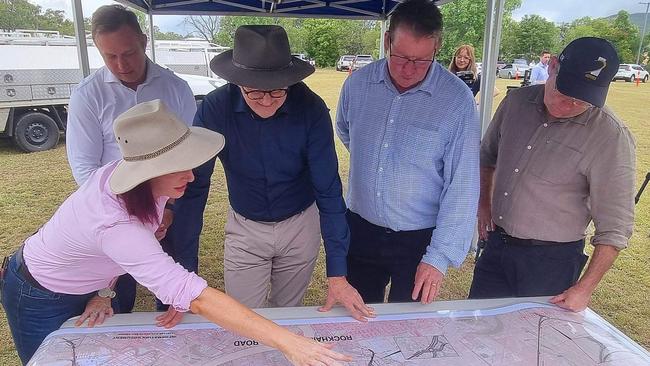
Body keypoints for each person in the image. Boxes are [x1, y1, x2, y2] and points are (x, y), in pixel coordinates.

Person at [0, 100, 351, 366]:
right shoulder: (116, 224)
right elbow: (195, 296)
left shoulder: (134, 184)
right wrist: (290, 343)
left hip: (85, 284)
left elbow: (111, 254)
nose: (194, 175)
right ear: (148, 173)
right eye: (180, 167)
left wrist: (104, 291)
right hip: (37, 294)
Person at [170, 25, 374, 321]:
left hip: (300, 225)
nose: (267, 101)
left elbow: (328, 190)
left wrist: (337, 274)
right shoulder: (214, 108)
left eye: (278, 91)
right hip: (245, 226)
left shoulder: (312, 109)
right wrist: (184, 277)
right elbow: (195, 186)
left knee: (286, 317)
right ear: (237, 82)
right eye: (254, 92)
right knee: (243, 319)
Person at [470, 37, 636, 312]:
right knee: (476, 326)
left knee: (531, 344)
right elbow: (487, 157)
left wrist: (584, 288)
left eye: (581, 101)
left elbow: (615, 228)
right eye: (564, 92)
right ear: (553, 66)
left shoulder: (610, 136)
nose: (569, 105)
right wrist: (483, 204)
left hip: (551, 262)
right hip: (497, 245)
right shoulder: (515, 103)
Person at [335, 0, 480, 304]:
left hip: (419, 240)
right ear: (388, 40)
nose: (409, 69)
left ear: (437, 48)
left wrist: (438, 257)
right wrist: (382, 162)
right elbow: (347, 132)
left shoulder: (456, 100)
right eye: (400, 56)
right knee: (356, 320)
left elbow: (462, 185)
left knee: (409, 333)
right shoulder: (358, 85)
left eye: (422, 60)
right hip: (361, 230)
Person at [65, 4, 197, 314]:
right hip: (115, 211)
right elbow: (85, 167)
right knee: (114, 294)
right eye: (110, 57)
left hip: (171, 208)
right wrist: (129, 214)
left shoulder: (176, 88)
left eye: (128, 53)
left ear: (143, 42)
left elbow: (191, 155)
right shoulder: (88, 95)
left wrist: (168, 209)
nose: (121, 64)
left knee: (178, 290)